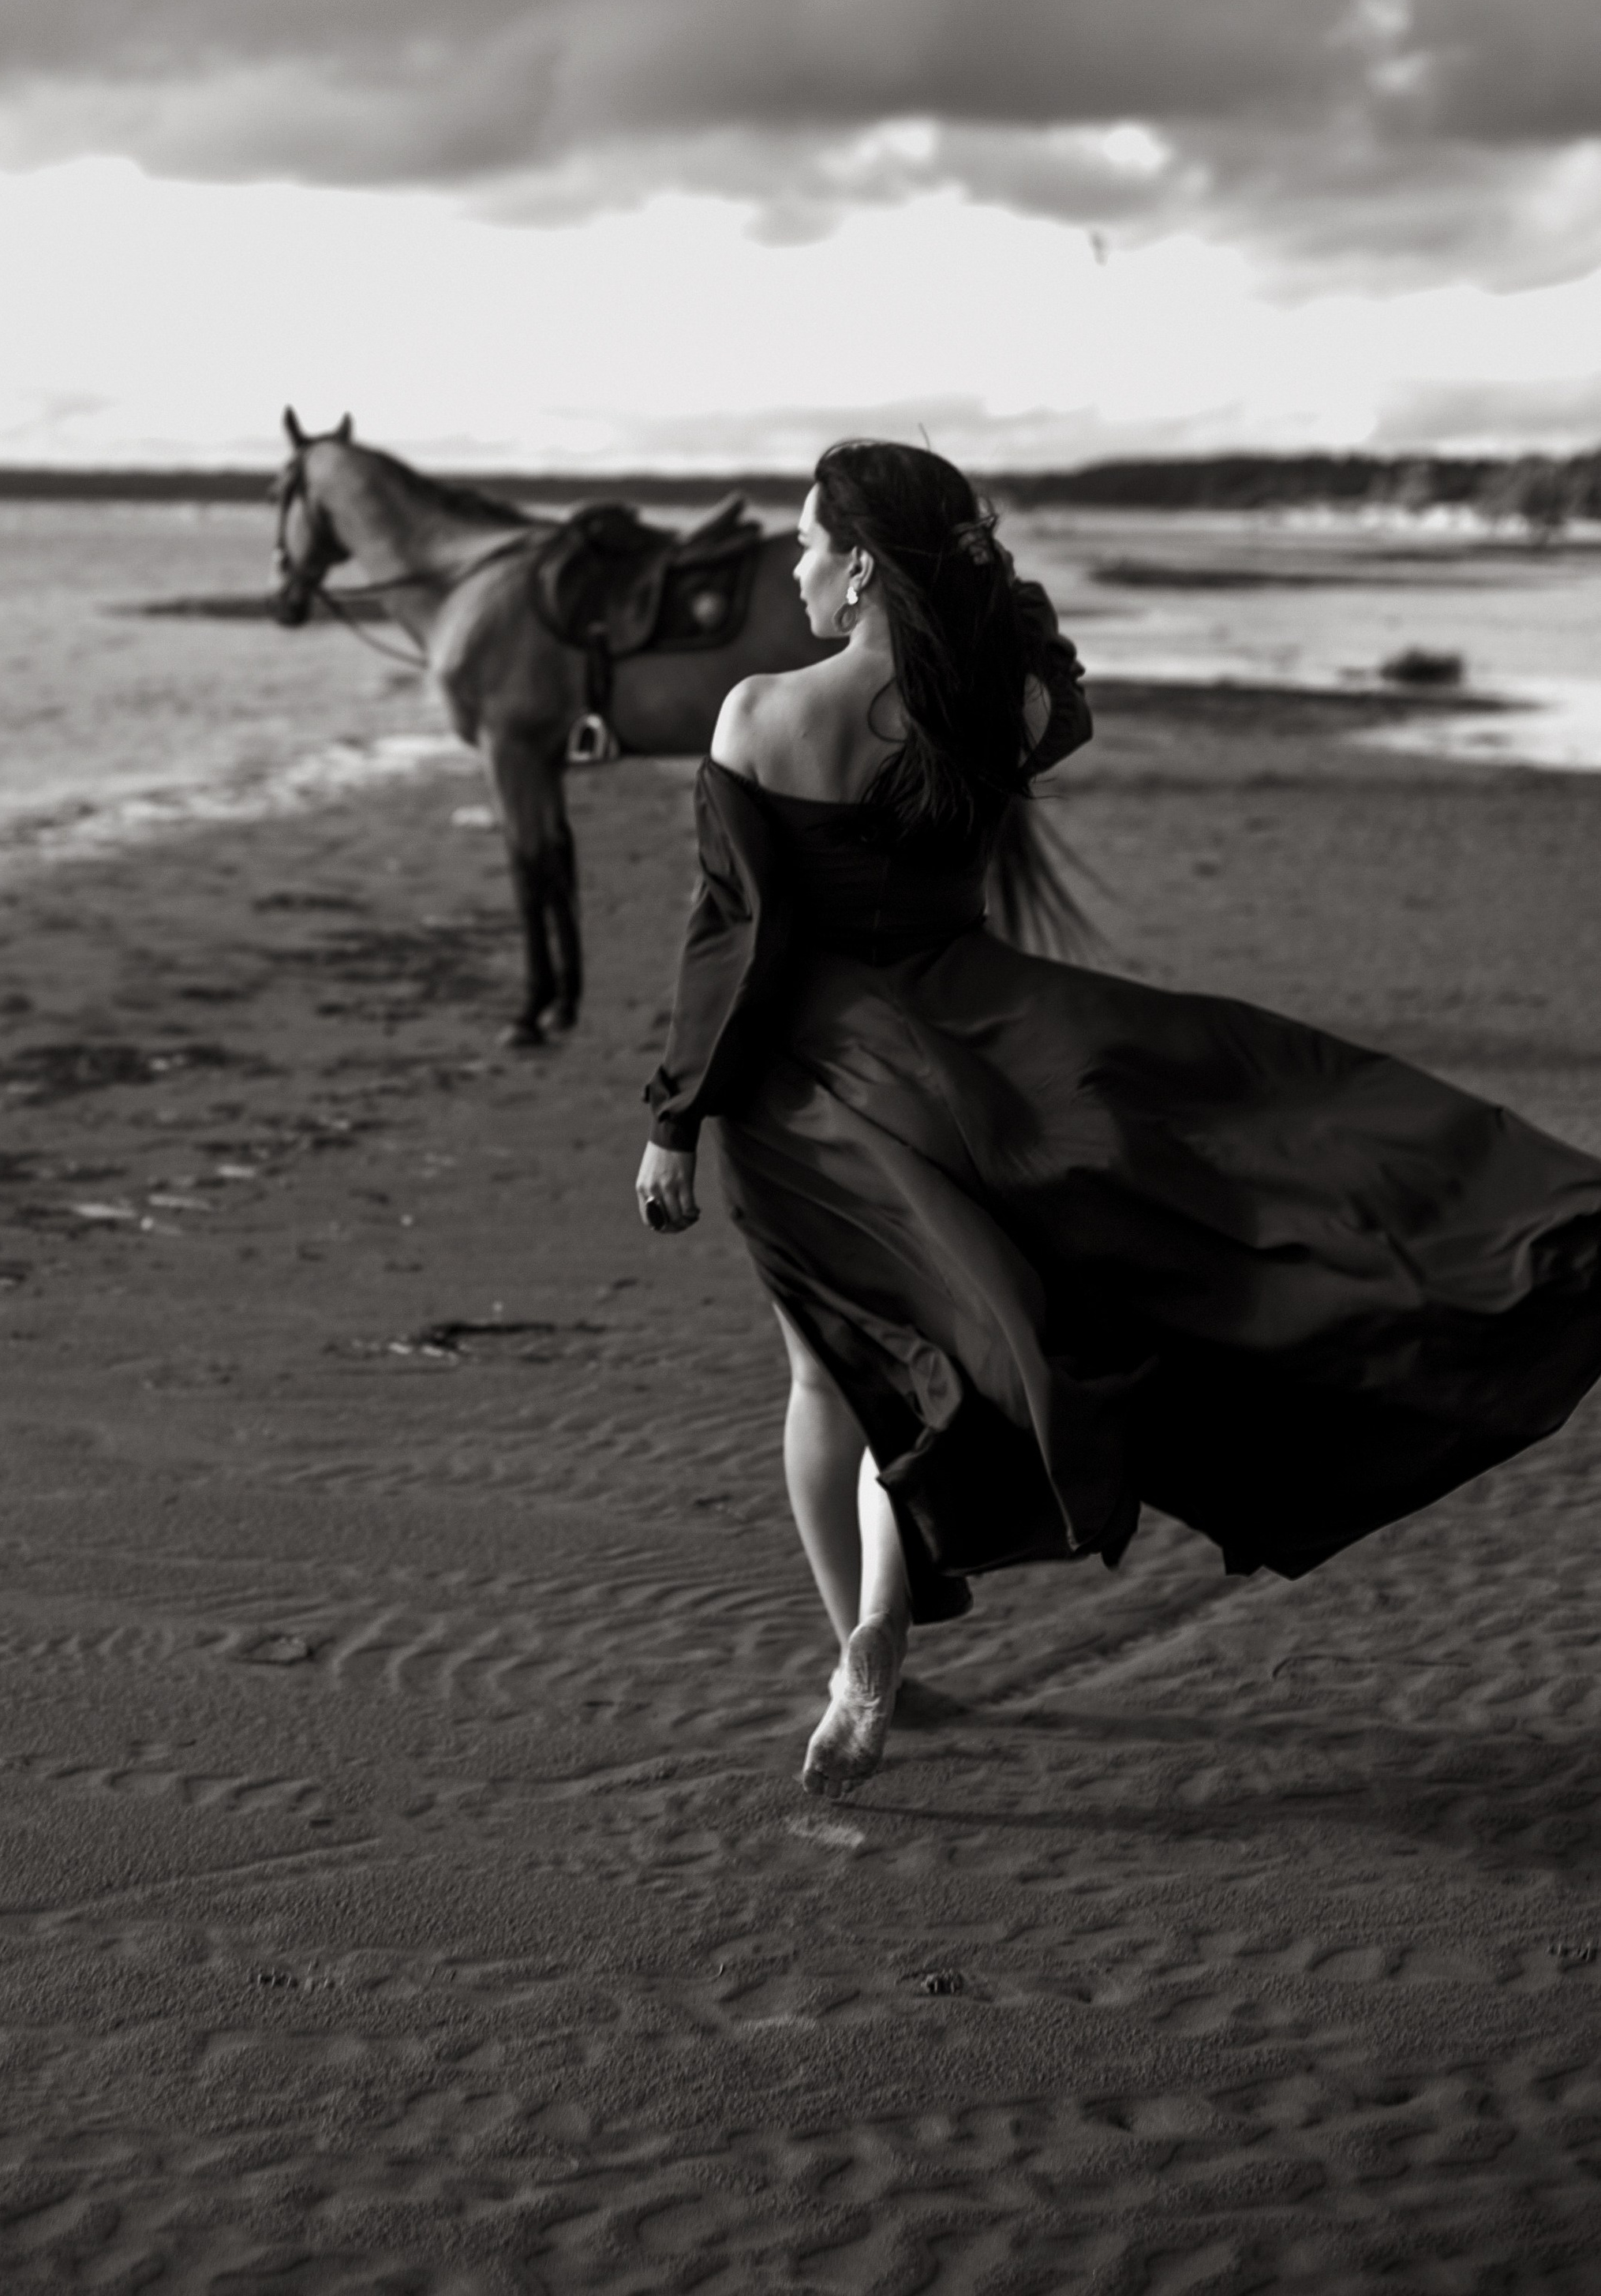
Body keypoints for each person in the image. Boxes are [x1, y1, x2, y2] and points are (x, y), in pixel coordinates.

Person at [634, 440, 1601, 1800]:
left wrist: (675, 1119)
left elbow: (731, 942)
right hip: (988, 1052)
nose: (789, 567)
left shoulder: (758, 713)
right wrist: (983, 592)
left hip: (815, 1087)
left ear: (860, 567)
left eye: (806, 543)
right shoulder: (995, 711)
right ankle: (881, 1630)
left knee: (836, 1374)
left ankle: (863, 1645)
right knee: (982, 1327)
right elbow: (1061, 689)